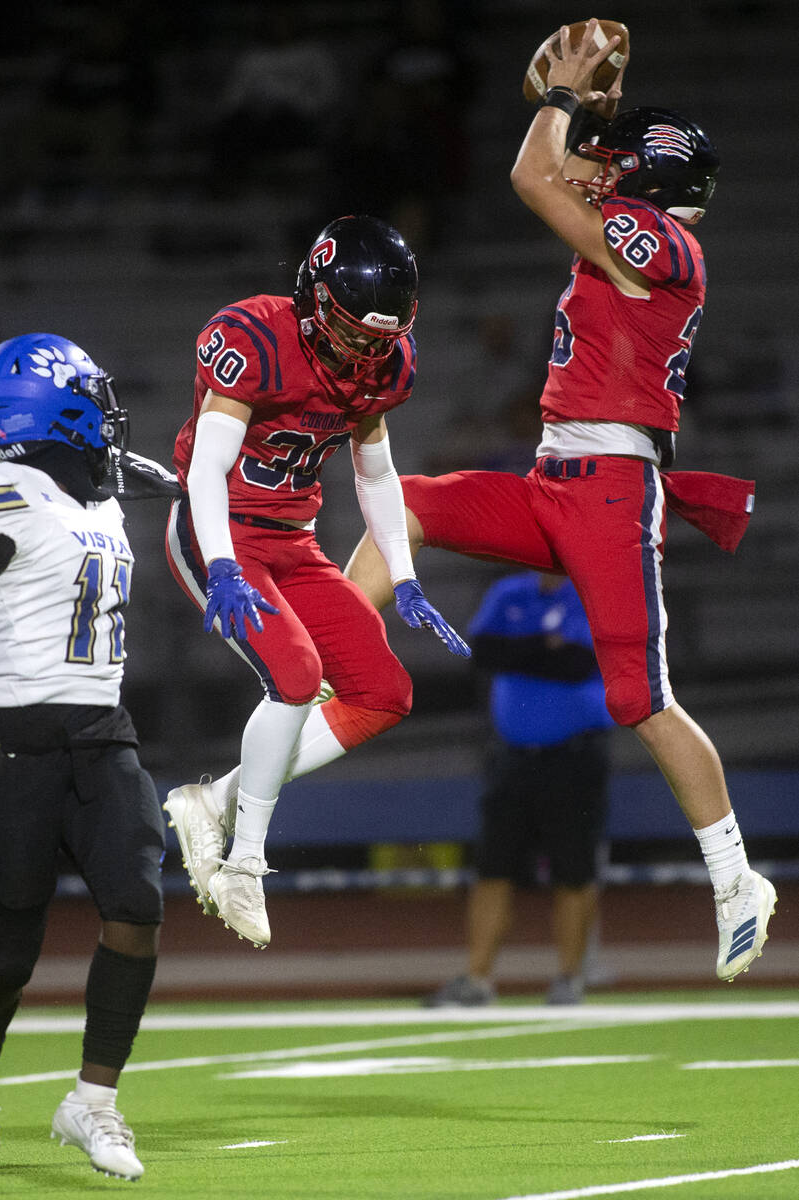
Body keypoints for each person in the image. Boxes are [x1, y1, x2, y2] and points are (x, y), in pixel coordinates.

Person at [344, 22, 777, 984]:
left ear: (655, 187)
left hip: (612, 491)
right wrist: (587, 118)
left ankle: (734, 876)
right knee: (402, 503)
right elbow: (560, 172)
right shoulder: (637, 236)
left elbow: (535, 178)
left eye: (622, 169)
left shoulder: (659, 242)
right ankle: (331, 648)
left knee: (638, 697)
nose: (603, 176)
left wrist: (566, 105)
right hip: (556, 481)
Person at [0, 333, 178, 1187]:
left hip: (102, 735)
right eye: (91, 394)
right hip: (14, 744)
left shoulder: (91, 494)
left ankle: (92, 1101)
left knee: (137, 908)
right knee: (7, 960)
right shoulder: (2, 498)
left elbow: (119, 477)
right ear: (50, 403)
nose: (106, 407)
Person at [164, 214, 470, 950]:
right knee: (297, 678)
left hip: (291, 542)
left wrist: (403, 574)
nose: (366, 349)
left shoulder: (384, 367)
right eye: (353, 330)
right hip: (220, 533)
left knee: (382, 692)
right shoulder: (256, 337)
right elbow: (206, 469)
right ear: (313, 295)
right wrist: (226, 565)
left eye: (380, 336)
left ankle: (216, 802)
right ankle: (243, 862)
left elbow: (376, 471)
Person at [425, 571, 613, 1008]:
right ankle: (478, 979)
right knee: (493, 868)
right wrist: (542, 648)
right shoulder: (509, 591)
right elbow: (482, 652)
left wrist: (516, 649)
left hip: (576, 756)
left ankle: (570, 977)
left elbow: (578, 663)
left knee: (574, 869)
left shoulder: (590, 590)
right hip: (512, 758)